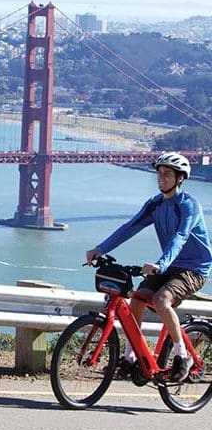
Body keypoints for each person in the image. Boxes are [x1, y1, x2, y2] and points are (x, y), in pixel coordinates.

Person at [86, 151, 212, 382]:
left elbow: (180, 237)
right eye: (159, 174)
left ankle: (182, 356)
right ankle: (130, 358)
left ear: (180, 178)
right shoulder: (154, 205)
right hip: (169, 265)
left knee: (161, 300)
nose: (161, 178)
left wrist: (161, 264)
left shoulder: (188, 205)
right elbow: (129, 227)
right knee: (136, 297)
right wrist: (100, 249)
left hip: (194, 267)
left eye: (167, 174)